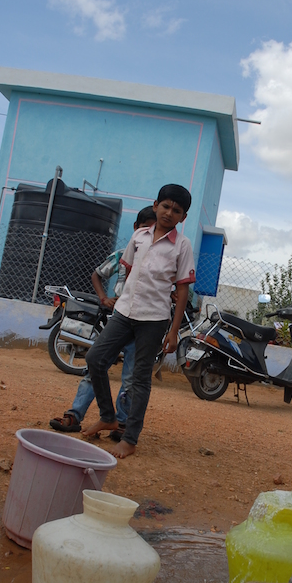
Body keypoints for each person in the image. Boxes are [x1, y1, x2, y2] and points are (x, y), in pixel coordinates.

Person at [83, 184, 195, 458]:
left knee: (140, 379)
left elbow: (182, 290)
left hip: (153, 319)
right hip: (124, 312)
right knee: (95, 359)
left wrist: (173, 331)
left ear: (183, 217)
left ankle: (130, 438)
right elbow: (129, 271)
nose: (169, 213)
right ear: (155, 204)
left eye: (176, 210)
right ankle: (108, 416)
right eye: (165, 206)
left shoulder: (182, 245)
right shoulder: (138, 236)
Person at [49, 205, 157, 440]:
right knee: (94, 367)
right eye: (145, 229)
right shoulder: (121, 255)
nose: (149, 234)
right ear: (136, 228)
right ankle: (75, 415)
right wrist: (103, 298)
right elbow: (97, 274)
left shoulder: (160, 261)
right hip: (117, 321)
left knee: (130, 377)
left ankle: (121, 423)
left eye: (154, 230)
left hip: (142, 325)